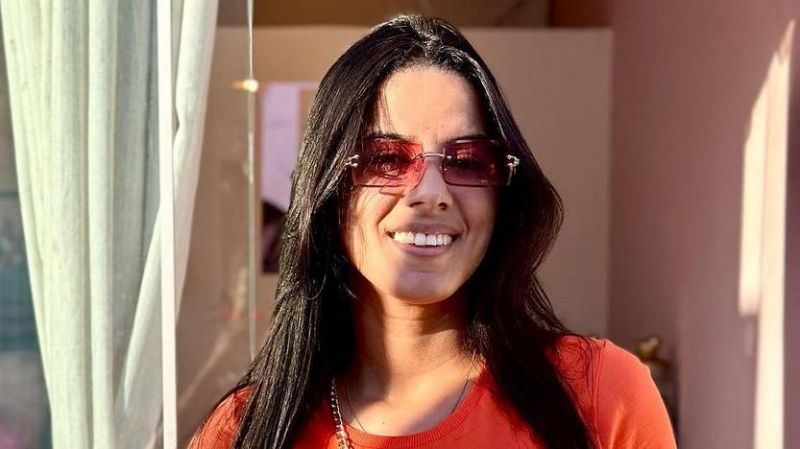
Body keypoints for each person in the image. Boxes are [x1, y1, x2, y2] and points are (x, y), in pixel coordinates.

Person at [190, 15, 677, 449]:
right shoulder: (244, 433)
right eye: (387, 158)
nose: (430, 192)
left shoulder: (600, 395)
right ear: (330, 190)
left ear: (503, 195)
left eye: (467, 160)